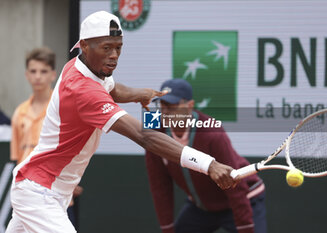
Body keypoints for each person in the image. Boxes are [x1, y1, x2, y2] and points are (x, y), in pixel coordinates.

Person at [6, 11, 237, 233]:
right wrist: (209, 164)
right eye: (107, 48)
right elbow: (144, 136)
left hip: (46, 190)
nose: (114, 55)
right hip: (40, 193)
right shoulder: (83, 91)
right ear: (84, 45)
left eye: (118, 48)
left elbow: (113, 89)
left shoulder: (83, 68)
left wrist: (140, 94)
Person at [145, 79, 267, 233]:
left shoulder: (212, 132)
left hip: (244, 198)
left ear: (190, 106)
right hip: (202, 207)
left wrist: (246, 228)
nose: (165, 112)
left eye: (172, 106)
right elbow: (160, 186)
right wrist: (167, 229)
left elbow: (235, 186)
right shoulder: (154, 131)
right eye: (162, 106)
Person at [9, 47, 83, 230]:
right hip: (27, 197)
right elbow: (18, 159)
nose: (38, 77)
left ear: (52, 74)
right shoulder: (19, 113)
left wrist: (72, 182)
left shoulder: (62, 108)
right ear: (26, 75)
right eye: (33, 71)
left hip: (56, 195)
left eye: (43, 71)